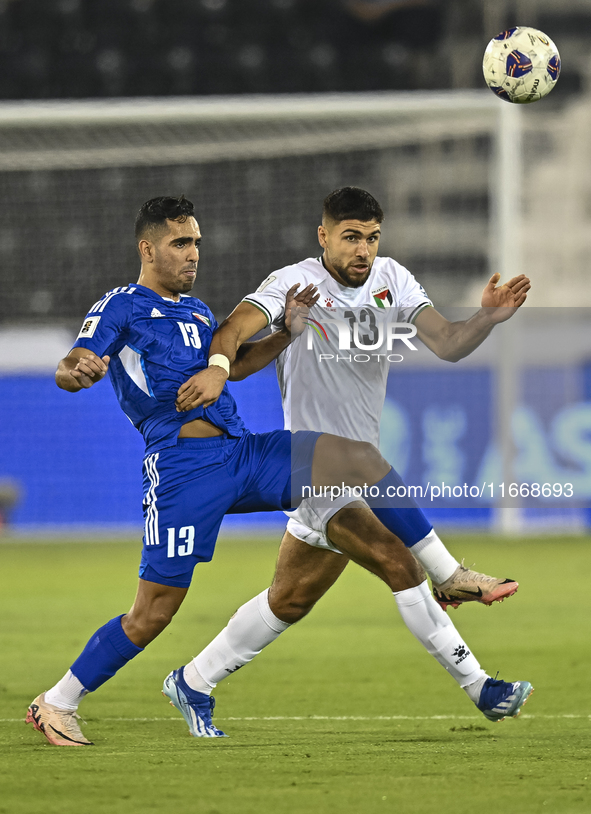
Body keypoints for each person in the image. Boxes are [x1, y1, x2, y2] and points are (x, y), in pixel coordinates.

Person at [26, 195, 531, 748]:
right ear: (147, 249)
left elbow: (235, 366)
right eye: (180, 244)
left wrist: (287, 333)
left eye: (196, 242)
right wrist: (78, 371)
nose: (193, 254)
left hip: (243, 455)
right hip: (183, 471)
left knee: (356, 460)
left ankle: (450, 576)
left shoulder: (194, 310)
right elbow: (72, 363)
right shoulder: (121, 305)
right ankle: (58, 701)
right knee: (153, 614)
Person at [174, 187, 533, 731]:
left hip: (364, 467)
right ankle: (479, 680)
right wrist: (221, 367)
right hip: (313, 467)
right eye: (350, 238)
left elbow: (449, 343)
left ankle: (192, 680)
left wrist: (487, 318)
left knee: (288, 600)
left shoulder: (394, 279)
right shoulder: (292, 284)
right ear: (324, 237)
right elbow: (231, 331)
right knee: (398, 560)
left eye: (371, 238)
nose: (363, 250)